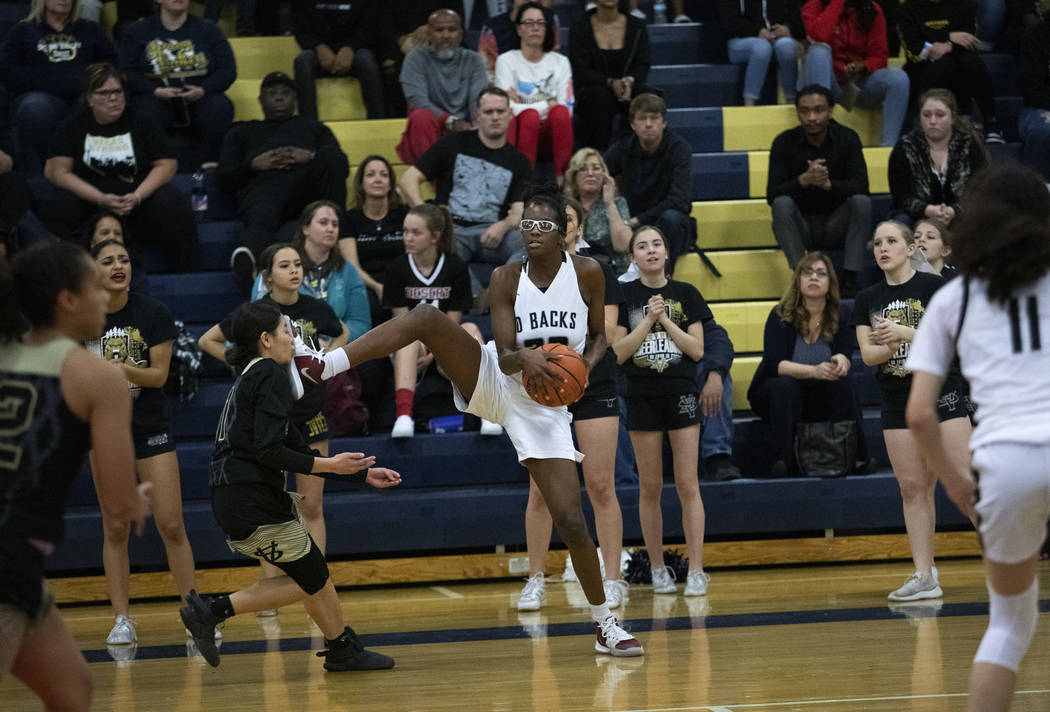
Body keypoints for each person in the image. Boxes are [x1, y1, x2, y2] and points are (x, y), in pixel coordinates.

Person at [296, 185, 644, 656]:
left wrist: (582, 368)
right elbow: (502, 357)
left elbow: (601, 335)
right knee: (426, 316)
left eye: (544, 226)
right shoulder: (504, 276)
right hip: (502, 379)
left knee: (572, 520)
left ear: (564, 233)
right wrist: (529, 359)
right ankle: (325, 365)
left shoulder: (589, 273)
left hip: (546, 406)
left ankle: (605, 624)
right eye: (528, 225)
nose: (534, 233)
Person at [181, 300, 399, 670]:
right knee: (311, 575)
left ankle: (342, 648)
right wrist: (329, 463)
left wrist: (359, 473)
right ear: (265, 339)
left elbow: (295, 446)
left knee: (311, 572)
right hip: (248, 495)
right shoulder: (268, 374)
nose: (294, 339)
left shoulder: (253, 374)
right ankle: (212, 610)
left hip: (240, 494)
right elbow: (270, 451)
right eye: (286, 331)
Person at [906, 161, 1050, 712]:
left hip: (1006, 460)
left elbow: (920, 415)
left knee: (1010, 627)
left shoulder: (954, 298)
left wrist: (956, 483)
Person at [0, 241, 147, 711]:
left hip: (16, 565)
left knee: (71, 687)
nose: (105, 295)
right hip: (7, 563)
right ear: (67, 300)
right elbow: (120, 502)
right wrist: (137, 498)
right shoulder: (98, 376)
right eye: (95, 285)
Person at [200, 243, 349, 615]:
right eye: (285, 265)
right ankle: (281, 590)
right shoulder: (260, 323)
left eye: (298, 264)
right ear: (268, 274)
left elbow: (341, 334)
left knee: (310, 505)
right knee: (272, 509)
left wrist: (323, 363)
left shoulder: (315, 309)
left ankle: (315, 586)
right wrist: (243, 365)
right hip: (265, 425)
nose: (294, 270)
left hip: (304, 413)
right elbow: (208, 340)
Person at [516, 196, 628, 611]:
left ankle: (612, 578)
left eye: (563, 221)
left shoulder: (594, 271)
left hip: (592, 385)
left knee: (600, 485)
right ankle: (535, 578)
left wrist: (575, 373)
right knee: (540, 493)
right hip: (541, 391)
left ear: (576, 229)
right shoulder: (521, 274)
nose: (554, 228)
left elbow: (609, 332)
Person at [88, 239, 201, 646]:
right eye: (108, 260)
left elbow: (159, 376)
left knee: (171, 523)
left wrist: (121, 371)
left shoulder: (154, 313)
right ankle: (121, 620)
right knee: (115, 527)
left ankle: (195, 615)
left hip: (150, 425)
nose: (118, 265)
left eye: (124, 259)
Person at [853, 220, 972, 601]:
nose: (882, 248)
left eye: (891, 241)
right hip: (895, 398)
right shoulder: (867, 298)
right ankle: (925, 576)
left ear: (910, 249)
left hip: (942, 394)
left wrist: (904, 333)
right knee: (912, 488)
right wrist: (889, 344)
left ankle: (1008, 561)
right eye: (877, 243)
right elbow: (870, 356)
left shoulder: (935, 287)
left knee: (967, 483)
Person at [612, 226, 709, 597]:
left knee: (688, 484)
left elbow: (697, 350)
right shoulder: (624, 296)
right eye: (642, 246)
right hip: (641, 395)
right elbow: (619, 352)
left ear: (666, 253)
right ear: (633, 258)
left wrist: (665, 319)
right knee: (649, 486)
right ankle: (657, 569)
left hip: (682, 393)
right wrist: (648, 321)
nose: (650, 250)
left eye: (657, 244)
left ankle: (697, 569)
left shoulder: (687, 294)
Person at [44, 62, 197, 272]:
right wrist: (99, 198)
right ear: (90, 99)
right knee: (61, 202)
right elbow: (56, 172)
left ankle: (185, 271)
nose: (113, 98)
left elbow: (167, 165)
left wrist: (138, 196)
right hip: (91, 204)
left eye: (117, 91)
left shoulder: (143, 122)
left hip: (137, 202)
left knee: (171, 200)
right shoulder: (72, 126)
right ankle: (68, 273)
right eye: (104, 93)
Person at [216, 71, 350, 293]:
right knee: (264, 203)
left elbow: (340, 166)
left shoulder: (315, 129)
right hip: (264, 191)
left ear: (295, 99)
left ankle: (336, 233)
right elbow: (223, 178)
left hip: (307, 194)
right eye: (272, 93)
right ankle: (250, 258)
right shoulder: (242, 131)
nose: (279, 97)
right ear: (260, 100)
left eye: (285, 93)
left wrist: (310, 157)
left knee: (331, 155)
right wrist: (251, 165)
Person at [747, 251, 871, 475]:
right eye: (808, 272)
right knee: (786, 386)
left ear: (829, 282)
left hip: (818, 395)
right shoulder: (779, 315)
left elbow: (845, 353)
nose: (814, 277)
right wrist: (814, 371)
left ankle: (857, 455)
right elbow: (776, 365)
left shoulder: (842, 314)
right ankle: (784, 461)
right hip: (775, 395)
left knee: (845, 381)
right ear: (798, 279)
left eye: (821, 273)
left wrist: (841, 362)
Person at [383, 204, 497, 438]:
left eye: (416, 232)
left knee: (472, 328)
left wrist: (435, 354)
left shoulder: (455, 266)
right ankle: (403, 416)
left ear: (435, 236)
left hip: (443, 345)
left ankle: (489, 412)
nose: (408, 238)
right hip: (411, 346)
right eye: (405, 231)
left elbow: (452, 325)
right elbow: (402, 323)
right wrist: (424, 349)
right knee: (408, 341)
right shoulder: (397, 268)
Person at [399, 86, 531, 271]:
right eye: (488, 111)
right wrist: (427, 218)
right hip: (454, 231)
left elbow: (518, 213)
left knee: (530, 243)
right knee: (439, 250)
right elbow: (408, 179)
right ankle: (475, 296)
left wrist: (502, 226)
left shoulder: (519, 161)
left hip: (493, 233)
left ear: (510, 114)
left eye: (500, 111)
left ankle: (503, 289)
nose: (495, 117)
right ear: (477, 115)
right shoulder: (453, 143)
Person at [766, 84, 870, 296]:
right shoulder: (783, 142)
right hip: (800, 226)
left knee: (862, 202)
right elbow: (772, 194)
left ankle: (850, 280)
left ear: (830, 111)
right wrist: (803, 181)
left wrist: (829, 185)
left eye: (818, 110)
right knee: (781, 204)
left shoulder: (848, 138)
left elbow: (862, 187)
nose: (812, 117)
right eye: (805, 111)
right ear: (797, 113)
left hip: (836, 224)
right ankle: (800, 276)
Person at [0, 0, 116, 178]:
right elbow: (8, 70)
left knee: (100, 101)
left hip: (83, 95)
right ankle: (38, 178)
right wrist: (53, 82)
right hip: (39, 97)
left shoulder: (89, 29)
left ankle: (95, 176)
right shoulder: (23, 30)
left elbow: (109, 64)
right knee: (35, 107)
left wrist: (88, 85)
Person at [117, 0, 236, 159]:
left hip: (200, 99)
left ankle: (212, 167)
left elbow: (228, 69)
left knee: (219, 106)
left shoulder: (209, 29)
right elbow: (127, 71)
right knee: (143, 109)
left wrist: (203, 90)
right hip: (154, 98)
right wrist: (155, 91)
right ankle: (152, 167)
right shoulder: (137, 31)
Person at [252, 201, 372, 341]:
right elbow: (258, 319)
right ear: (305, 229)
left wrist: (334, 343)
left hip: (338, 348)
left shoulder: (347, 270)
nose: (330, 229)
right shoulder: (279, 263)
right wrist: (309, 342)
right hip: (287, 349)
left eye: (335, 224)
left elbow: (360, 322)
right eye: (323, 223)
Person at [800, 0, 910, 147]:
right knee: (819, 51)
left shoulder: (871, 8)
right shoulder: (815, 4)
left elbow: (880, 56)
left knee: (899, 78)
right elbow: (819, 36)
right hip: (824, 81)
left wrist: (863, 66)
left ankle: (888, 149)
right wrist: (838, 3)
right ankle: (821, 140)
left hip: (856, 85)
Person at [604, 93, 694, 272]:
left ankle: (665, 278)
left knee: (672, 218)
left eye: (654, 118)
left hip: (667, 224)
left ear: (664, 122)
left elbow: (679, 201)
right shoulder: (622, 148)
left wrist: (637, 220)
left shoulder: (679, 149)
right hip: (632, 223)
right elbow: (600, 173)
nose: (648, 123)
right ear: (632, 124)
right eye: (642, 118)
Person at [898, 0, 1004, 142]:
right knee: (944, 63)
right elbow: (914, 51)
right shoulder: (906, 9)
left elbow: (970, 41)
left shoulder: (963, 5)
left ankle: (991, 123)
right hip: (923, 72)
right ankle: (921, 122)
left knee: (970, 61)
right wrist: (948, 37)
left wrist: (948, 45)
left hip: (958, 71)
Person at [396, 9, 489, 165]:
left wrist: (474, 125)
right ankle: (433, 181)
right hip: (429, 131)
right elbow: (417, 101)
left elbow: (477, 100)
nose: (446, 35)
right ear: (429, 33)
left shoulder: (473, 60)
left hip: (464, 129)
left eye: (451, 30)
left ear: (460, 34)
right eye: (439, 30)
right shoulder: (415, 59)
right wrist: (450, 121)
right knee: (420, 117)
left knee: (492, 117)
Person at [494, 2, 574, 179]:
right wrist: (546, 104)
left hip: (551, 134)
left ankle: (564, 178)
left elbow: (566, 107)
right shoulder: (506, 61)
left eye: (540, 23)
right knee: (529, 116)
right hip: (521, 131)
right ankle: (524, 179)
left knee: (560, 112)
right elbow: (504, 108)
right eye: (529, 23)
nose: (535, 28)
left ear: (547, 29)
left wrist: (521, 103)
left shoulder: (560, 62)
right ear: (519, 29)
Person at [888, 88, 989, 226]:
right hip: (917, 217)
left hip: (961, 215)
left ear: (952, 118)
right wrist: (928, 210)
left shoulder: (969, 144)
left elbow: (979, 190)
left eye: (940, 115)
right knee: (900, 221)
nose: (932, 121)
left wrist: (954, 211)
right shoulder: (904, 147)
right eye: (926, 115)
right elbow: (900, 197)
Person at [569, 0, 650, 151]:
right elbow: (581, 70)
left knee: (647, 97)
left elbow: (642, 64)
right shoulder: (580, 27)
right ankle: (600, 158)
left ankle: (645, 157)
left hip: (630, 88)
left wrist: (630, 81)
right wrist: (610, 82)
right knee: (600, 98)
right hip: (593, 91)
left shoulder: (637, 27)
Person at [340, 155, 408, 326]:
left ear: (391, 183)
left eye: (384, 175)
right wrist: (377, 287)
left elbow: (412, 258)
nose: (378, 179)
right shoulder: (349, 219)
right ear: (361, 183)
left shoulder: (404, 214)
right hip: (366, 283)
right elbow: (352, 266)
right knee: (370, 305)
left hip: (402, 281)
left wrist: (392, 288)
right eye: (371, 174)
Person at [292, 0, 386, 120]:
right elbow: (301, 32)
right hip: (318, 52)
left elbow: (368, 29)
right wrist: (319, 47)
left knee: (367, 60)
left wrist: (350, 48)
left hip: (354, 50)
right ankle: (308, 126)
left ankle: (377, 122)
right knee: (303, 62)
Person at [563, 148, 633, 277]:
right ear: (574, 175)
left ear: (604, 175)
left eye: (596, 168)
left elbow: (624, 246)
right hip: (576, 276)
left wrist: (610, 203)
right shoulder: (565, 207)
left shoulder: (618, 203)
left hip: (615, 276)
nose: (590, 173)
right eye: (583, 169)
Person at [720, 0, 805, 106]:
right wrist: (756, 31)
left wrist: (788, 29)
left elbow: (799, 19)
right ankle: (749, 104)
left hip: (778, 39)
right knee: (761, 48)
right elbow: (729, 21)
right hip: (742, 39)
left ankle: (792, 101)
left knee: (786, 46)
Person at [1017, 15, 1050, 179]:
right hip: (1039, 108)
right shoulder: (1035, 36)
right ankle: (1038, 193)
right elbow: (1032, 90)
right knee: (1043, 131)